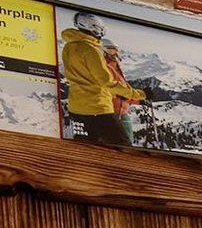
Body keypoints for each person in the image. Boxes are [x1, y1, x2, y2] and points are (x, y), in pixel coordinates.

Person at [58, 12, 142, 147]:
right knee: (124, 146)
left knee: (91, 145)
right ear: (94, 28)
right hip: (97, 107)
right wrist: (140, 95)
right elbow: (107, 82)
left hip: (77, 106)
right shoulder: (91, 49)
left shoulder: (69, 47)